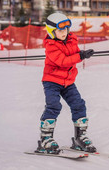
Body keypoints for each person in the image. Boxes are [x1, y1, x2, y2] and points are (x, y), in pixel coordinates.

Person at [35, 12, 96, 154]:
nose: (64, 32)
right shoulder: (51, 45)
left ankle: (80, 138)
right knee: (54, 106)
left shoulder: (71, 40)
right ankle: (45, 139)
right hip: (52, 81)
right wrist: (79, 56)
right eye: (60, 30)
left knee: (79, 104)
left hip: (68, 81)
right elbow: (62, 61)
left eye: (66, 29)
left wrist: (83, 53)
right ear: (51, 31)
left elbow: (74, 53)